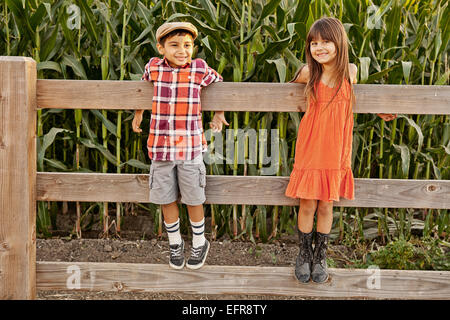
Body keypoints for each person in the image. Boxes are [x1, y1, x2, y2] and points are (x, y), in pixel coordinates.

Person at [285, 17, 396, 283]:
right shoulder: (307, 73)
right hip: (311, 147)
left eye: (326, 42)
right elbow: (287, 91)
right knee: (307, 204)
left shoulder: (351, 71)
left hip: (336, 149)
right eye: (314, 43)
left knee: (326, 205)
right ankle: (304, 254)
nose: (319, 48)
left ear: (339, 43)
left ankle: (321, 255)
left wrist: (379, 108)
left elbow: (359, 94)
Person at [132, 22, 228, 270]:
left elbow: (221, 86)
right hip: (161, 148)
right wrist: (138, 114)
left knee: (194, 198)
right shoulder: (153, 67)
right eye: (174, 45)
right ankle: (175, 243)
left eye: (187, 45)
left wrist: (219, 114)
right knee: (166, 199)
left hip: (190, 148)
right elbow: (140, 89)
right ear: (161, 48)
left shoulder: (199, 69)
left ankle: (199, 241)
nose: (182, 50)